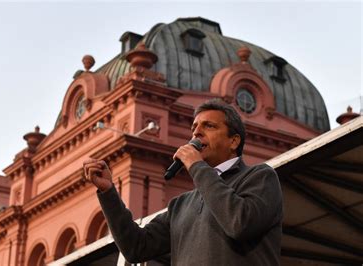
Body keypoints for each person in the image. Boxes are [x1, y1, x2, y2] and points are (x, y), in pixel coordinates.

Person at [83, 99, 282, 265]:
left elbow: (240, 223)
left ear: (234, 141)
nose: (196, 133)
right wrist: (108, 193)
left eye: (209, 126)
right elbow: (136, 247)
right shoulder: (181, 205)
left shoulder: (260, 177)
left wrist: (196, 166)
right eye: (194, 128)